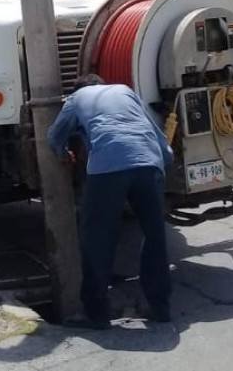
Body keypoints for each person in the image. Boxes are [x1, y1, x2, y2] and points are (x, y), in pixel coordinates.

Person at [48, 74, 174, 329]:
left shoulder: (76, 98)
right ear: (101, 83)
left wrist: (64, 153)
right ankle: (160, 308)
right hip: (149, 163)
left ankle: (96, 314)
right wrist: (160, 162)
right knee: (154, 236)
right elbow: (157, 137)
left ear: (78, 89)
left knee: (97, 238)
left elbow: (54, 136)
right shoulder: (125, 91)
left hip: (108, 168)